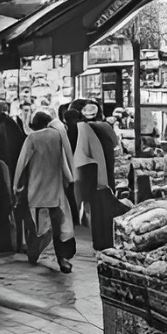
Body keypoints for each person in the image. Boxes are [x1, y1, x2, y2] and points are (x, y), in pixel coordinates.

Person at [12, 110, 77, 272]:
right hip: (55, 190)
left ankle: (34, 254)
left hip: (36, 190)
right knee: (58, 227)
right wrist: (69, 180)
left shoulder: (32, 138)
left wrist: (16, 186)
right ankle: (62, 259)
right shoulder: (57, 136)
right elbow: (63, 161)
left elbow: (22, 163)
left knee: (37, 226)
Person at [73, 100, 120, 251]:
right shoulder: (106, 127)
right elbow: (116, 146)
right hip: (107, 172)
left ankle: (97, 236)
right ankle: (107, 236)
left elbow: (80, 155)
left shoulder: (82, 129)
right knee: (106, 204)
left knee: (93, 207)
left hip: (90, 174)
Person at [0, 100, 24, 257]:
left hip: (3, 172)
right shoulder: (9, 124)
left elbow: (4, 153)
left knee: (4, 206)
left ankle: (8, 244)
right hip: (7, 171)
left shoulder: (2, 126)